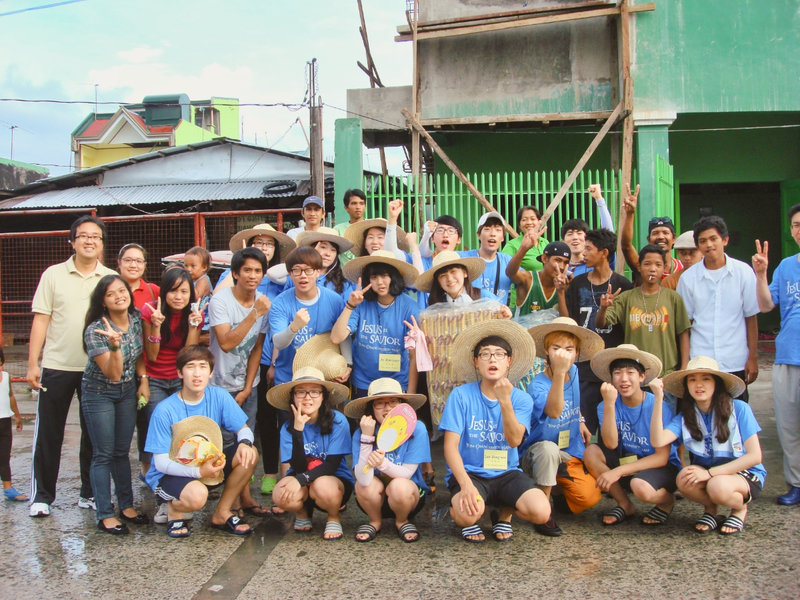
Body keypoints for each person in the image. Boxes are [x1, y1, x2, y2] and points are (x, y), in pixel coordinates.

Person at [27, 215, 117, 518]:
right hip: (57, 366)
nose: (89, 241)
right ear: (72, 241)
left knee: (94, 434)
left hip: (97, 367)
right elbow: (41, 319)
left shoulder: (109, 278)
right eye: (83, 236)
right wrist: (33, 363)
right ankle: (42, 496)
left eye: (96, 236)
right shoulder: (53, 275)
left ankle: (89, 493)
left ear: (102, 244)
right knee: (49, 432)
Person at [439, 319, 551, 542]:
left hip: (506, 472)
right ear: (476, 362)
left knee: (541, 512)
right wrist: (465, 485)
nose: (492, 359)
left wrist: (505, 401)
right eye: (485, 354)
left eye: (499, 354)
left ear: (509, 362)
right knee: (467, 514)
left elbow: (514, 440)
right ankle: (460, 513)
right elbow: (450, 446)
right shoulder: (460, 395)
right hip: (471, 472)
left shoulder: (522, 399)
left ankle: (504, 515)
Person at [144, 345, 259, 538]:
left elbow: (244, 429)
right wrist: (198, 472)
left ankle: (222, 512)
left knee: (250, 453)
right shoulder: (164, 410)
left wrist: (245, 443)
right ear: (179, 373)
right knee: (197, 497)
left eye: (203, 366)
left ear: (210, 372)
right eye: (190, 367)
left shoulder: (219, 396)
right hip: (170, 474)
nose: (197, 374)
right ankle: (172, 508)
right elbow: (161, 463)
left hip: (207, 466)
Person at [651, 356, 766, 534]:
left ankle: (739, 509)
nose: (699, 385)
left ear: (716, 384)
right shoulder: (686, 415)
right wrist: (659, 398)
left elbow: (755, 456)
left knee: (717, 486)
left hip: (743, 474)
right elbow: (658, 441)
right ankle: (711, 510)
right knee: (684, 478)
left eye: (706, 379)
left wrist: (709, 474)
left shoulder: (739, 408)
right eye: (692, 380)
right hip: (709, 474)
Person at [519, 317, 604, 536]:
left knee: (589, 497)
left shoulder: (574, 372)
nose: (563, 355)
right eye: (556, 348)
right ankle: (542, 511)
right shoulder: (538, 385)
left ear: (577, 353)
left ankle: (554, 490)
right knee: (549, 450)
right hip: (538, 452)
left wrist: (581, 420)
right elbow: (554, 411)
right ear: (547, 352)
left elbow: (573, 401)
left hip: (568, 450)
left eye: (569, 349)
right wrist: (558, 373)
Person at [584, 344, 680, 526]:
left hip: (659, 467)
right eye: (617, 373)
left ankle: (666, 502)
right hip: (627, 460)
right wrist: (609, 404)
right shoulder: (606, 404)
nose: (624, 379)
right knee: (591, 452)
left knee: (640, 487)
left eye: (630, 373)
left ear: (642, 376)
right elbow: (611, 444)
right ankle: (624, 504)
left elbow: (662, 457)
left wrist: (618, 471)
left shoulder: (657, 405)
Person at [81, 274, 148, 534]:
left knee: (121, 451)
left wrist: (143, 380)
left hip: (127, 391)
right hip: (99, 392)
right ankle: (105, 513)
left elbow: (140, 354)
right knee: (103, 453)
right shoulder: (96, 330)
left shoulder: (135, 319)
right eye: (111, 294)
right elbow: (113, 373)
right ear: (103, 301)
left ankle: (127, 506)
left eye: (122, 291)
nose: (119, 296)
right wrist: (115, 346)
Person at [208, 247, 270, 516]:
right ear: (235, 273)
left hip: (248, 386)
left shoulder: (263, 303)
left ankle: (244, 497)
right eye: (247, 270)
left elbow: (257, 348)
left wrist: (247, 388)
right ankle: (230, 501)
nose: (252, 276)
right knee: (223, 445)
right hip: (217, 384)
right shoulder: (221, 301)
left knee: (246, 443)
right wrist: (254, 313)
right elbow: (226, 343)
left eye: (258, 271)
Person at [677, 215, 759, 401]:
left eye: (713, 239)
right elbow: (685, 325)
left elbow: (751, 317)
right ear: (698, 245)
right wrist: (685, 363)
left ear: (725, 240)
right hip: (700, 360)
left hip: (735, 360)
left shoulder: (743, 272)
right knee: (701, 413)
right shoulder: (688, 279)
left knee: (737, 412)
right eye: (703, 241)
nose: (709, 245)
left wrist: (753, 357)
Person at [560, 228, 633, 434]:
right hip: (584, 366)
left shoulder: (622, 285)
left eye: (589, 249)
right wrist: (561, 293)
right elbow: (569, 321)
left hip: (612, 365)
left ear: (604, 253)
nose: (583, 253)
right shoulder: (578, 283)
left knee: (613, 427)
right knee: (585, 426)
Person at [269, 367, 353, 540]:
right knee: (280, 494)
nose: (307, 397)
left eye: (314, 392)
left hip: (333, 480)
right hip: (301, 476)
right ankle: (302, 512)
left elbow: (331, 466)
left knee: (322, 485)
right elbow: (297, 466)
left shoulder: (338, 421)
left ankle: (333, 516)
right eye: (301, 392)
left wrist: (300, 480)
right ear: (293, 397)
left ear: (323, 396)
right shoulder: (287, 427)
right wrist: (298, 432)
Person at [752, 203, 800, 506]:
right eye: (796, 225)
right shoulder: (786, 267)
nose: (799, 230)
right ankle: (796, 483)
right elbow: (766, 305)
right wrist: (761, 274)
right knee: (789, 426)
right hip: (788, 356)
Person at [595, 244, 691, 394]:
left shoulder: (673, 298)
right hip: (635, 376)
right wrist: (603, 308)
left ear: (664, 268)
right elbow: (600, 323)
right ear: (639, 267)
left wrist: (683, 369)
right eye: (647, 264)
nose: (652, 269)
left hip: (666, 376)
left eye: (658, 265)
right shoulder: (627, 298)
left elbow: (683, 333)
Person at [346, 378, 430, 543]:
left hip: (407, 497)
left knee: (399, 486)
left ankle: (402, 521)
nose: (387, 407)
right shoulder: (361, 433)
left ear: (402, 405)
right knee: (364, 485)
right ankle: (375, 521)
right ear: (371, 408)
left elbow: (406, 474)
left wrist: (382, 464)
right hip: (374, 501)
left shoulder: (417, 428)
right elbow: (363, 480)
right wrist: (366, 438)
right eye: (380, 403)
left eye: (393, 401)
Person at [139, 268, 203, 482]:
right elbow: (151, 356)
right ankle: (150, 474)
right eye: (173, 291)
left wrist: (193, 326)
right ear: (164, 291)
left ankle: (180, 474)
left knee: (181, 427)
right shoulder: (150, 311)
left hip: (179, 378)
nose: (178, 297)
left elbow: (188, 355)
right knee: (154, 425)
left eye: (184, 292)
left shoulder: (194, 315)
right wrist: (156, 326)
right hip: (154, 377)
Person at [333, 250, 421, 396]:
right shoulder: (360, 304)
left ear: (394, 277)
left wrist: (411, 394)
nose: (380, 282)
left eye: (385, 275)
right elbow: (337, 337)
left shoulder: (409, 307)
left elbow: (414, 355)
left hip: (397, 382)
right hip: (363, 382)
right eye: (374, 277)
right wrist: (350, 305)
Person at [269, 247, 347, 386]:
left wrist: (348, 363)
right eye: (297, 270)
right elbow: (279, 343)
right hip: (288, 377)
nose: (303, 275)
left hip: (324, 377)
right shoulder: (280, 303)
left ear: (318, 272)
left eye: (308, 270)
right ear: (290, 274)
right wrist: (293, 327)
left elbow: (343, 336)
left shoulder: (335, 300)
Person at [619, 184, 683, 283]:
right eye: (655, 233)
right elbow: (626, 246)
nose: (660, 237)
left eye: (665, 233)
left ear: (674, 238)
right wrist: (630, 214)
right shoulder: (642, 266)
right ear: (648, 239)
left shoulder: (682, 267)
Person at [460, 211, 525, 306]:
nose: (492, 234)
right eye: (487, 229)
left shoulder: (507, 261)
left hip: (499, 314)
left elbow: (528, 282)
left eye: (498, 230)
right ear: (478, 235)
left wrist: (524, 248)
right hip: (470, 314)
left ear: (502, 237)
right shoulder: (464, 258)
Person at [560, 183, 616, 277]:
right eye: (570, 234)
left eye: (579, 233)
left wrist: (599, 199)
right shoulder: (559, 268)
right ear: (563, 241)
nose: (575, 237)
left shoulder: (597, 263)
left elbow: (609, 236)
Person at [508, 240, 571, 316]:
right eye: (558, 260)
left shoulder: (564, 286)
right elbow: (510, 273)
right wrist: (523, 249)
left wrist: (561, 292)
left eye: (566, 262)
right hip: (521, 324)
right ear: (544, 259)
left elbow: (565, 321)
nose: (562, 267)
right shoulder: (528, 278)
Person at [294, 227, 356, 302]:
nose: (328, 254)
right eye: (323, 247)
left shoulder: (342, 283)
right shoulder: (297, 276)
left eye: (333, 250)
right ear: (312, 248)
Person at [414, 250, 495, 305]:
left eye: (453, 271)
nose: (449, 278)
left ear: (465, 273)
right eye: (443, 275)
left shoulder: (484, 297)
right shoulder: (436, 306)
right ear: (438, 282)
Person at [1, 346, 27, 502]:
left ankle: (8, 488)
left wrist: (17, 416)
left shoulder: (5, 377)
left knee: (4, 456)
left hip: (4, 421)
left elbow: (10, 396)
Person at [501, 205, 549, 272]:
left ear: (539, 222)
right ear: (519, 225)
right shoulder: (512, 245)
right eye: (524, 220)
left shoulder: (545, 242)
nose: (529, 222)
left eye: (532, 219)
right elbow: (503, 268)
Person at [117, 243, 159, 310]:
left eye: (139, 261)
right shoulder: (110, 289)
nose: (133, 265)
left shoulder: (154, 290)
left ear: (144, 265)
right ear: (119, 263)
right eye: (128, 260)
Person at [334, 188, 367, 265]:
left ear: (365, 207)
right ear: (346, 208)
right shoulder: (338, 230)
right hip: (345, 272)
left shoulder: (372, 226)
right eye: (354, 203)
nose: (358, 207)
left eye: (361, 203)